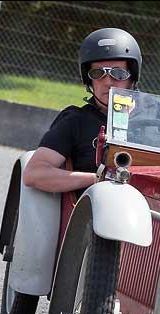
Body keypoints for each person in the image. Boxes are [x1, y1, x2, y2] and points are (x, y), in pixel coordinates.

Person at [22, 28, 142, 195]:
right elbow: (33, 174)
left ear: (132, 79)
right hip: (98, 212)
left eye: (118, 73)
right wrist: (99, 179)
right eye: (98, 73)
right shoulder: (76, 120)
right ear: (89, 81)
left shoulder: (156, 112)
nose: (108, 82)